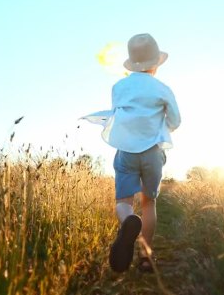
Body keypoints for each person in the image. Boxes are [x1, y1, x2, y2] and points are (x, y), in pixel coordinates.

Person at [84, 33, 181, 273]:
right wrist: (159, 127)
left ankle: (128, 221)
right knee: (149, 203)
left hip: (126, 150)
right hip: (152, 152)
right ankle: (146, 258)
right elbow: (176, 121)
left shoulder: (119, 87)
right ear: (155, 63)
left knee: (124, 202)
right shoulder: (162, 89)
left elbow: (119, 115)